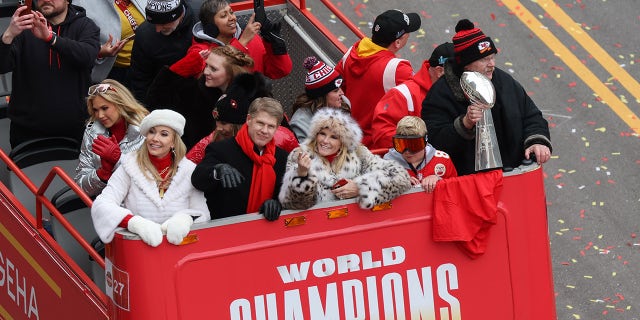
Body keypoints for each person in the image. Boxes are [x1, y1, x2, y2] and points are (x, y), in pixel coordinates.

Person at [421, 19, 552, 176]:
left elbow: (531, 115)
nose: (492, 64)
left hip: (512, 177)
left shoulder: (504, 82)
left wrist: (537, 140)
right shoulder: (440, 95)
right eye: (484, 59)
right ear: (466, 64)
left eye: (492, 57)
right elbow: (434, 142)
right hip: (468, 185)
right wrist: (464, 124)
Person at [91, 109, 210, 247]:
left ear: (173, 142)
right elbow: (102, 204)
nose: (155, 138)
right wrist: (134, 223)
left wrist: (184, 219)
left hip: (180, 252)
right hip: (138, 250)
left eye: (164, 134)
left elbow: (202, 213)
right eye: (152, 132)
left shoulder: (189, 170)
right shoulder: (129, 166)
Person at [0, 0, 100, 148]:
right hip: (27, 131)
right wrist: (8, 35)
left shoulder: (85, 25)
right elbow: (2, 67)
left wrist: (51, 39)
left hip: (75, 130)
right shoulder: (23, 27)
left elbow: (87, 56)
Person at [279, 108, 412, 210]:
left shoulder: (359, 154)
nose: (325, 141)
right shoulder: (300, 155)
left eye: (334, 137)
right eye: (322, 134)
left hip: (355, 229)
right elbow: (294, 204)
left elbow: (401, 178)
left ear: (343, 141)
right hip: (318, 230)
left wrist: (359, 188)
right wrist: (302, 175)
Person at [191, 97, 288, 221]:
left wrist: (277, 205)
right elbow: (197, 180)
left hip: (266, 232)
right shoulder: (221, 150)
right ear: (248, 120)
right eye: (260, 123)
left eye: (271, 126)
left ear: (277, 127)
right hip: (226, 232)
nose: (265, 130)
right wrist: (217, 170)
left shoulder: (282, 158)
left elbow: (288, 197)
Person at [334, 9, 421, 147]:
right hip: (374, 146)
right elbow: (420, 99)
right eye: (407, 33)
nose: (409, 35)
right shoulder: (398, 69)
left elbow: (336, 86)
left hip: (345, 134)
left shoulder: (353, 51)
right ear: (397, 42)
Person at [146, 45, 253, 148]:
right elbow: (155, 103)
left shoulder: (248, 100)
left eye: (213, 69)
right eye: (206, 65)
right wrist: (182, 66)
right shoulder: (192, 92)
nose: (206, 71)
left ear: (231, 73)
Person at [186, 72, 298, 163]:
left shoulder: (283, 138)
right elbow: (185, 169)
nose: (218, 127)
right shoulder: (212, 140)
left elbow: (299, 170)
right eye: (217, 122)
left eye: (224, 123)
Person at [174, 0, 292, 80]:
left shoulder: (252, 39)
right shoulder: (199, 51)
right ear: (211, 27)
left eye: (231, 12)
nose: (232, 18)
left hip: (256, 107)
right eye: (224, 15)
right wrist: (241, 43)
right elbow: (215, 78)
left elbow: (280, 72)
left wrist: (276, 46)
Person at [371, 42, 454, 150]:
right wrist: (418, 147)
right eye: (457, 72)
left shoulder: (455, 92)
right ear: (440, 71)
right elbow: (382, 135)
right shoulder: (402, 95)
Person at [75, 80, 150, 197]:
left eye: (105, 108)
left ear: (120, 103)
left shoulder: (147, 131)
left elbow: (150, 183)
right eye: (95, 110)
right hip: (103, 203)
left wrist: (119, 160)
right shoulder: (92, 131)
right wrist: (103, 173)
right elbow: (80, 186)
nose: (100, 115)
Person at [129, 0, 195, 102]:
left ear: (179, 15)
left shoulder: (203, 19)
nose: (158, 29)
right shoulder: (145, 35)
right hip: (164, 101)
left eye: (163, 23)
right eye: (154, 23)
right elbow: (140, 79)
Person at [74, 0, 147, 86]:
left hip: (145, 65)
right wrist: (99, 52)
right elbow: (76, 42)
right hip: (113, 73)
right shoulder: (82, 3)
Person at [383, 116, 457, 193]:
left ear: (425, 141)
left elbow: (455, 190)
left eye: (414, 145)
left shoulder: (442, 160)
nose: (407, 151)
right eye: (401, 145)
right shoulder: (388, 162)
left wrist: (440, 180)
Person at [289, 56, 350, 142]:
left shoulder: (344, 104)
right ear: (322, 96)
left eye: (340, 88)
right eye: (336, 91)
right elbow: (307, 154)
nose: (342, 93)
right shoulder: (300, 123)